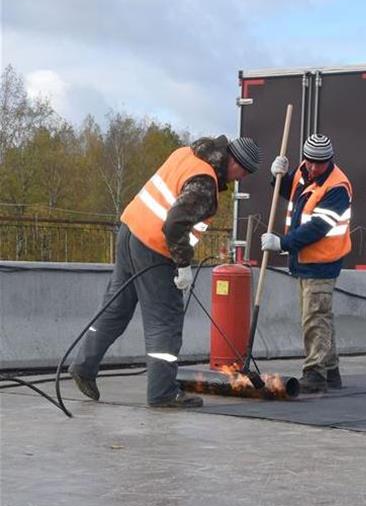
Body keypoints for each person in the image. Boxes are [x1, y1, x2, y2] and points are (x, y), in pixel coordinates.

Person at [70, 136, 262, 407]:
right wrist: (184, 264)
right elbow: (174, 224)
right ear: (235, 162)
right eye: (243, 171)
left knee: (115, 309)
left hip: (129, 232)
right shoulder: (205, 181)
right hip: (155, 249)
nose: (241, 177)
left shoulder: (187, 153)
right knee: (166, 320)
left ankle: (83, 367)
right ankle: (163, 393)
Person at [261, 134, 352, 393]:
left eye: (319, 163)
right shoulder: (304, 173)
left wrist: (283, 243)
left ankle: (315, 374)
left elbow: (318, 227)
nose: (313, 167)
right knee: (319, 315)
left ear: (329, 161)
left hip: (323, 261)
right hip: (305, 261)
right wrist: (278, 176)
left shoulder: (337, 187)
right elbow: (293, 192)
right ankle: (330, 371)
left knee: (315, 316)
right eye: (309, 161)